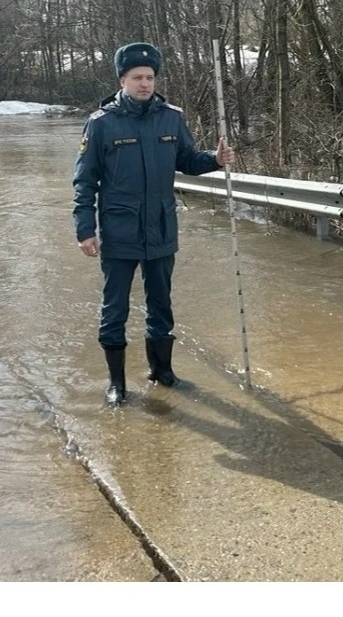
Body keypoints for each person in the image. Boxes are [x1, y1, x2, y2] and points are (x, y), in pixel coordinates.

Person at [72, 42, 235, 406]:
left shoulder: (171, 118)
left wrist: (214, 159)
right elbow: (84, 182)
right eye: (137, 78)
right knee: (115, 308)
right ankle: (117, 383)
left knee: (161, 303)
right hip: (119, 231)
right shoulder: (101, 124)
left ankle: (161, 371)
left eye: (149, 77)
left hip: (161, 228)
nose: (145, 83)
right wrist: (85, 230)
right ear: (122, 80)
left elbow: (187, 160)